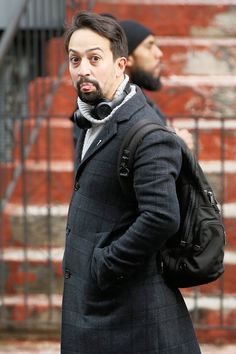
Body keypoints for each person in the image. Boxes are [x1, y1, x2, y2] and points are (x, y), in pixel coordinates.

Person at [62, 11, 201, 354]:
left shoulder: (145, 129)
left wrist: (104, 264)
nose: (83, 69)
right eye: (75, 59)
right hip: (97, 310)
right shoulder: (90, 118)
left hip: (132, 318)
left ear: (120, 65)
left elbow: (161, 216)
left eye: (95, 58)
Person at [119, 19, 194, 149]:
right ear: (128, 58)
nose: (159, 53)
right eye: (149, 46)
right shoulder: (115, 107)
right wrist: (178, 145)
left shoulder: (139, 100)